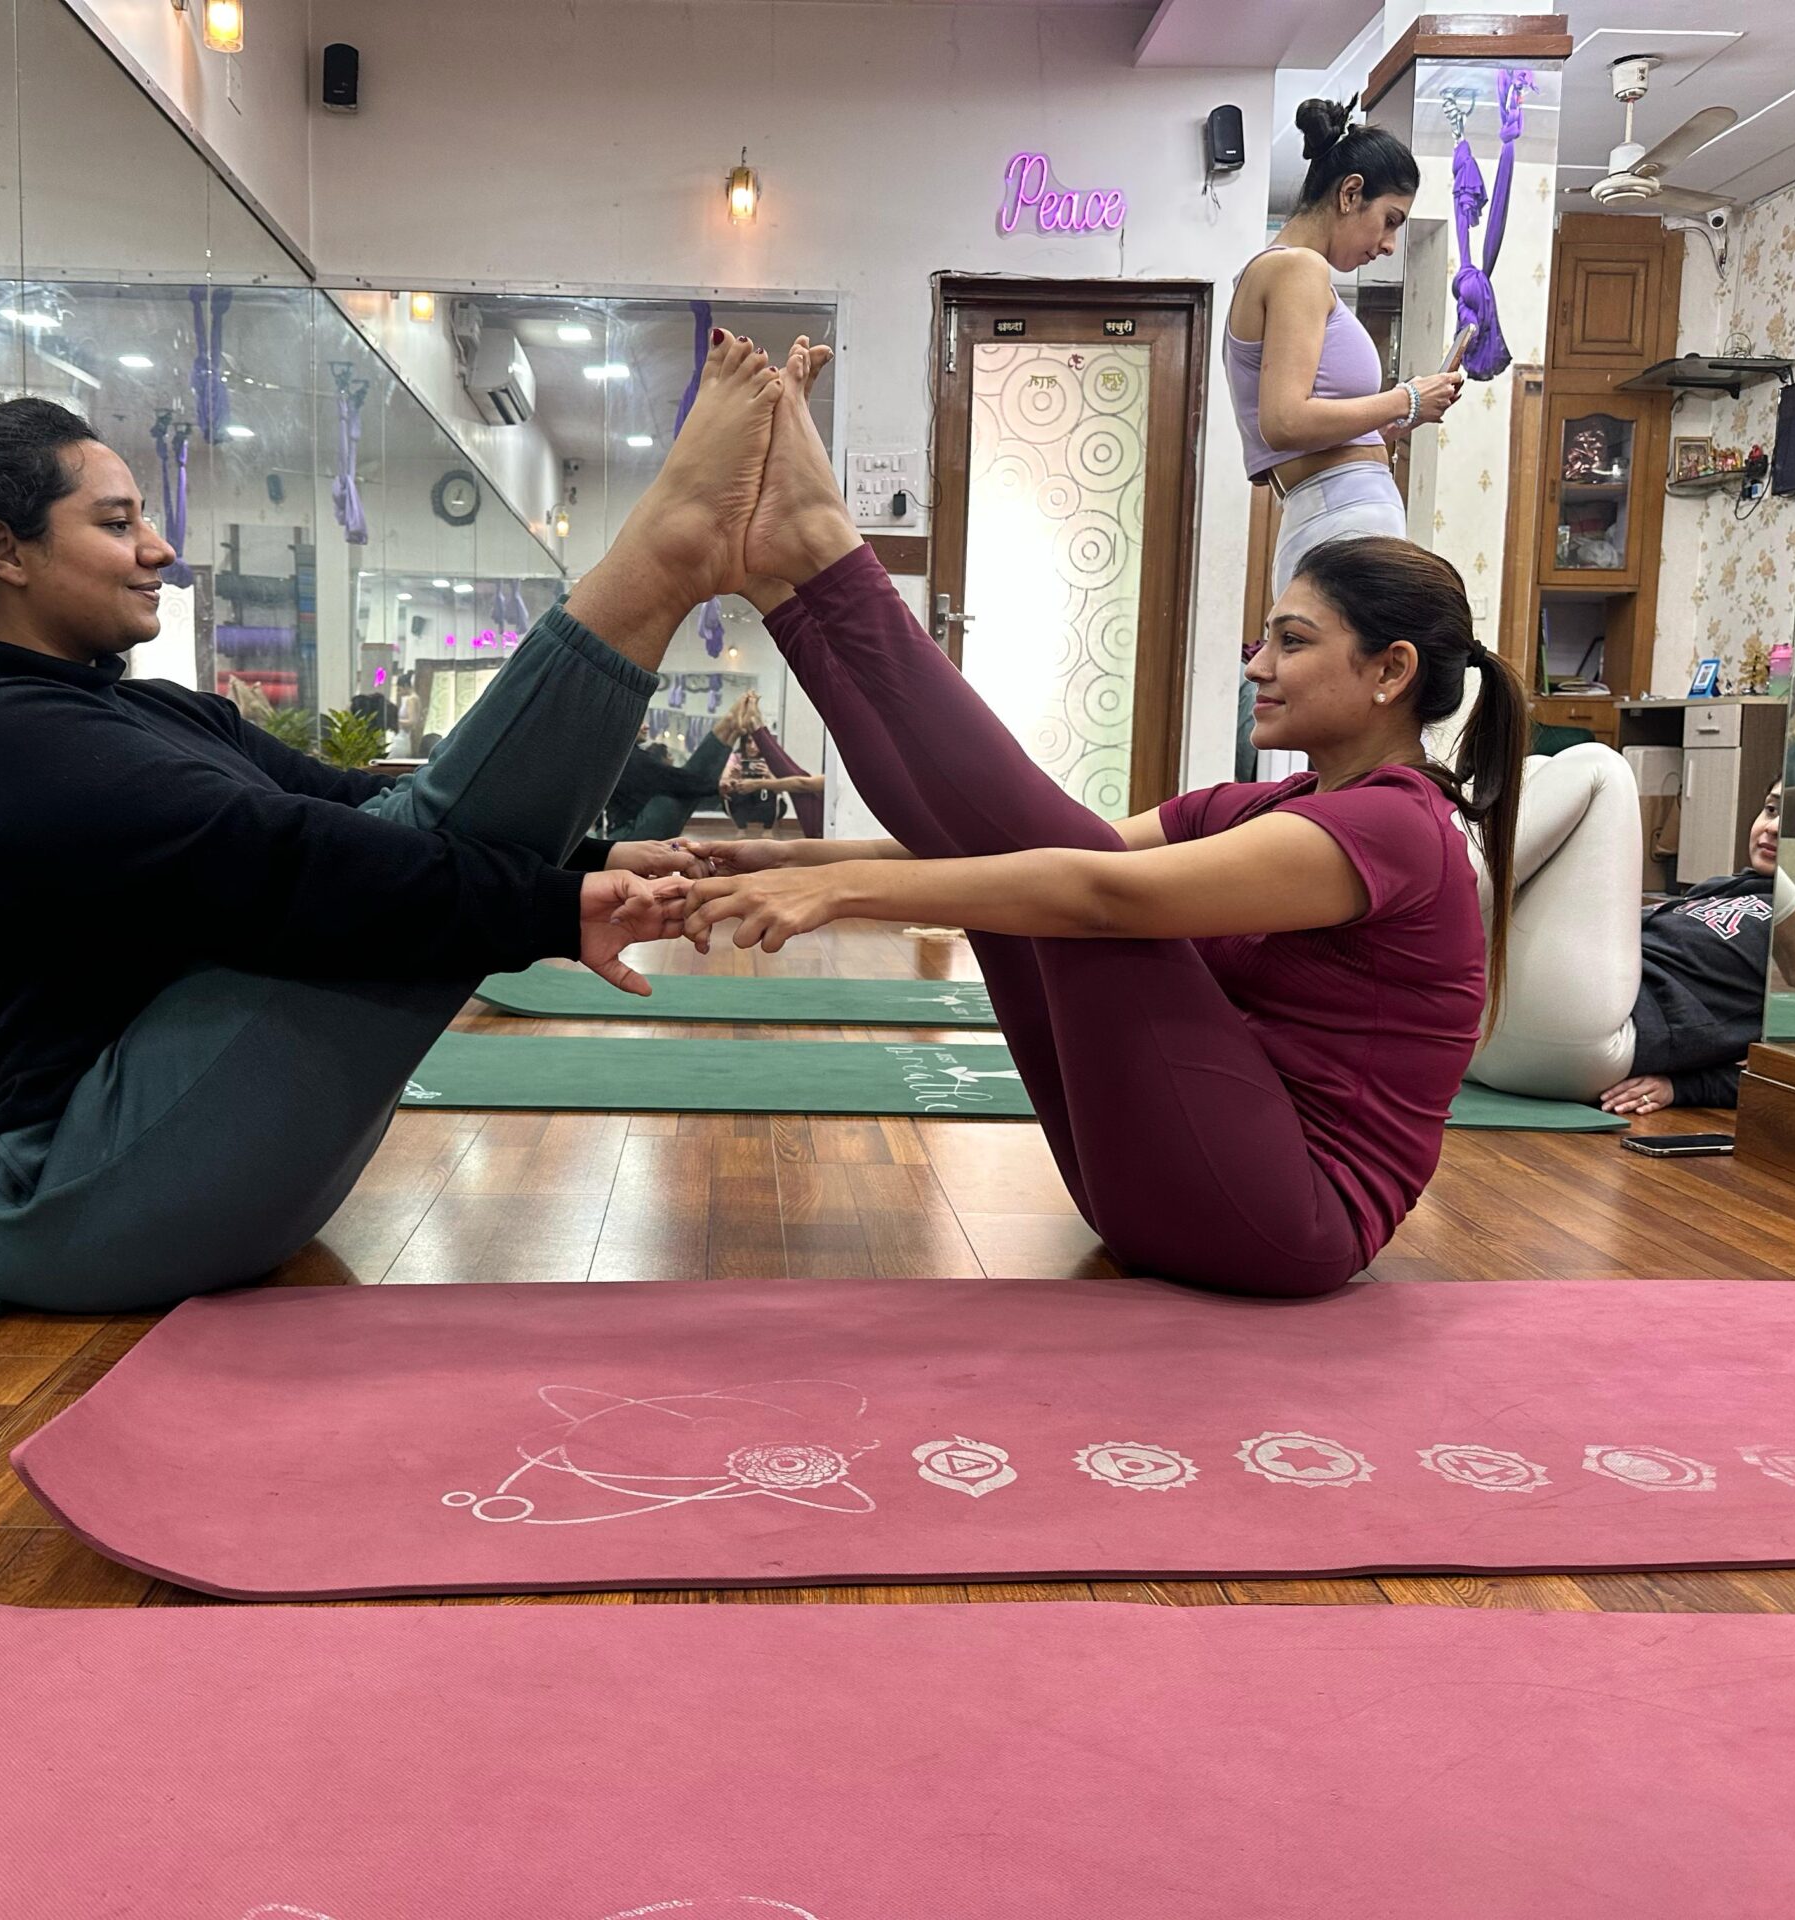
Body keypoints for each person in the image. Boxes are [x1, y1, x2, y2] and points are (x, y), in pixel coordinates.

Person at [0, 333, 780, 1313]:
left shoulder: (148, 713)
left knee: (391, 853)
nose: (158, 548)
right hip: (44, 1198)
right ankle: (664, 559)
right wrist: (555, 907)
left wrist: (596, 860)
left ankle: (667, 560)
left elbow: (345, 803)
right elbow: (297, 864)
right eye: (116, 523)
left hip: (155, 1165)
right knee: (357, 894)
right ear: (2, 550)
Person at [684, 342, 1523, 1300]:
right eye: (1264, 640)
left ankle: (825, 551)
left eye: (1292, 643)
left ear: (1391, 671)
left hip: (1284, 1221)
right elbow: (1000, 847)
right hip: (1168, 1181)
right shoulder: (1273, 808)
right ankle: (786, 583)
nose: (1257, 666)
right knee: (1031, 876)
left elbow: (1095, 891)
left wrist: (841, 891)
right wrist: (773, 861)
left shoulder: (1397, 829)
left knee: (1080, 895)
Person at [1465, 751, 1795, 1115]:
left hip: (1590, 1039)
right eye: (1771, 809)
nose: (1774, 827)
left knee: (1602, 768)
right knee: (1539, 767)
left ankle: (1443, 898)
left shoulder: (1790, 954)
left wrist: (1683, 1087)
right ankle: (1448, 906)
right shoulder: (1721, 890)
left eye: (1793, 821)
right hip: (1484, 1033)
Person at [1230, 98, 1462, 607]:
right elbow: (1285, 422)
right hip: (1340, 517)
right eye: (1390, 220)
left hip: (1335, 515)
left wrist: (1393, 423)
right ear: (1350, 193)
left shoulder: (1282, 270)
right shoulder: (1297, 268)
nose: (1389, 244)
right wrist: (1407, 399)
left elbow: (1300, 431)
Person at [606, 700, 749, 840]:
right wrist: (714, 786)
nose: (646, 727)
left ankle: (731, 730)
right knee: (680, 793)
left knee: (689, 789)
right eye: (639, 723)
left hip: (629, 830)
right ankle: (729, 726)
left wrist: (714, 787)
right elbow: (673, 779)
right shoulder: (627, 758)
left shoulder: (625, 756)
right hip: (627, 834)